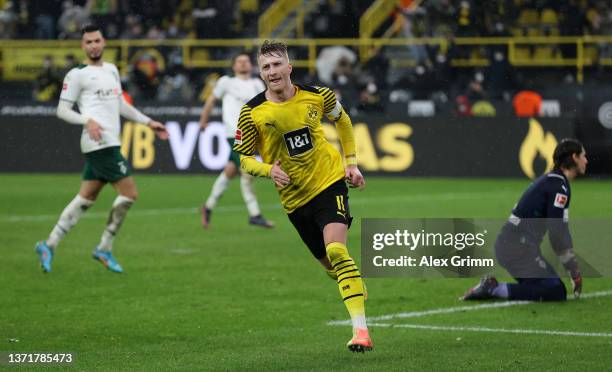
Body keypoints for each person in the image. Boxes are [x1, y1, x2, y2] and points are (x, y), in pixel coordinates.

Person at [233, 41, 372, 352]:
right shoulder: (252, 112)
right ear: (261, 73)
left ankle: (361, 332)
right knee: (330, 267)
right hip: (295, 201)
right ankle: (352, 283)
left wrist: (351, 163)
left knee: (337, 250)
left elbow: (344, 121)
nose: (272, 72)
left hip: (329, 182)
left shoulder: (318, 95)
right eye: (266, 67)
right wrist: (268, 171)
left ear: (289, 67)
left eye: (277, 65)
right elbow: (244, 158)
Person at [35, 24, 168, 273]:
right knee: (129, 194)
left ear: (104, 41)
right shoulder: (77, 74)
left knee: (86, 198)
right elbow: (61, 110)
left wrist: (149, 122)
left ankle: (48, 244)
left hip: (109, 141)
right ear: (82, 46)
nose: (93, 45)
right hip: (98, 141)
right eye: (88, 42)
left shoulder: (111, 70)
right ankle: (104, 247)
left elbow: (120, 105)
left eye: (97, 40)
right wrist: (88, 120)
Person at [462, 139, 587, 301]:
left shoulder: (554, 181)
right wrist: (573, 269)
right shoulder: (558, 187)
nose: (586, 160)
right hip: (517, 248)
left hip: (514, 246)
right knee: (555, 291)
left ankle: (493, 287)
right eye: (584, 156)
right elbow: (557, 234)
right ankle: (493, 289)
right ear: (574, 157)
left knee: (549, 287)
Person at [199, 52, 273, 229]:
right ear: (234, 66)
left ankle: (208, 207)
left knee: (231, 170)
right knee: (247, 171)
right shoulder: (226, 82)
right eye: (239, 61)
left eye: (246, 61)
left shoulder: (257, 84)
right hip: (234, 133)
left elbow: (265, 106)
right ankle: (254, 214)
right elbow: (211, 100)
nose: (243, 64)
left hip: (252, 133)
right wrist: (204, 119)